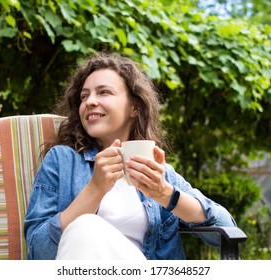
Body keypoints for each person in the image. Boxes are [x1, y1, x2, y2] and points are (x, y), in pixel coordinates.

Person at [24, 52, 236, 260]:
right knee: (85, 227)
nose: (90, 102)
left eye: (104, 92)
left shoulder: (160, 175)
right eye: (84, 96)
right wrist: (95, 189)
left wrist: (165, 194)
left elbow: (228, 231)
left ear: (134, 107)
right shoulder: (62, 161)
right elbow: (38, 252)